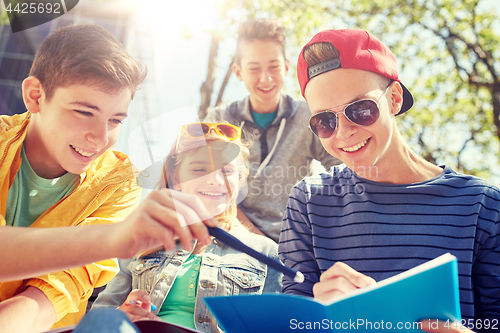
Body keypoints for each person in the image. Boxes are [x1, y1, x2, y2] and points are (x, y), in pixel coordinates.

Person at [279, 29, 500, 333]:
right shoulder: (309, 202)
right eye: (325, 121)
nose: (344, 132)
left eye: (360, 109)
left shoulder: (483, 206)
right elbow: (291, 323)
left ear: (394, 98)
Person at [0, 23, 216, 332]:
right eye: (84, 112)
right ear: (35, 96)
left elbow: (62, 287)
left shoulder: (118, 181)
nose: (100, 138)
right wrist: (113, 239)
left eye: (115, 120)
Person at [92, 123, 282, 333]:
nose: (215, 180)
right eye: (200, 169)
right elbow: (99, 317)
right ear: (176, 179)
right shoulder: (143, 242)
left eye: (226, 171)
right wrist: (121, 316)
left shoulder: (266, 253)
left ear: (239, 179)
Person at [204, 19, 340, 243]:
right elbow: (204, 189)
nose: (265, 78)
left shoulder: (308, 116)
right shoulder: (219, 121)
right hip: (233, 237)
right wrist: (260, 241)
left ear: (286, 67)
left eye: (274, 67)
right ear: (238, 72)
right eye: (254, 68)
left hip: (299, 239)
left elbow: (342, 169)